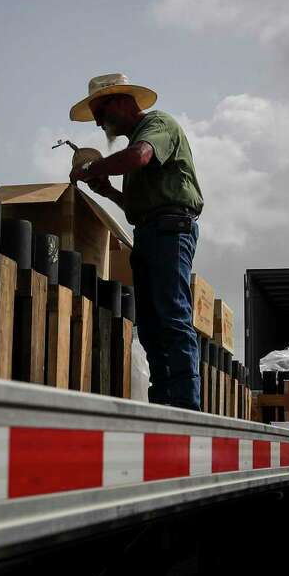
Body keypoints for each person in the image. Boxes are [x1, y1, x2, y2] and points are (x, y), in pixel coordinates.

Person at [68, 73, 204, 409]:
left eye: (101, 111)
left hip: (170, 231)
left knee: (171, 317)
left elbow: (141, 156)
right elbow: (137, 207)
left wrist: (91, 169)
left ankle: (185, 406)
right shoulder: (132, 150)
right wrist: (109, 191)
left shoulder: (157, 125)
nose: (99, 122)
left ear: (123, 102)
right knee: (152, 325)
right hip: (149, 231)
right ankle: (166, 403)